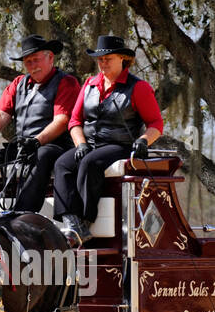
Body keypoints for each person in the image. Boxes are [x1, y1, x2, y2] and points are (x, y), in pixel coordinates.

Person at [53, 34, 164, 245]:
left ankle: (86, 222)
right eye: (100, 59)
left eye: (108, 59)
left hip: (120, 145)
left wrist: (143, 141)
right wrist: (81, 144)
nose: (103, 63)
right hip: (91, 145)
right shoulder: (89, 85)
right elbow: (74, 121)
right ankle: (72, 222)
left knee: (89, 163)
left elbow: (156, 124)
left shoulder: (138, 88)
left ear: (122, 58)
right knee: (62, 164)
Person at [0, 34, 81, 214]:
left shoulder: (66, 82)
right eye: (28, 62)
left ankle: (22, 214)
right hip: (22, 147)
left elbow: (62, 121)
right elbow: (1, 113)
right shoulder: (18, 84)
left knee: (43, 154)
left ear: (50, 57)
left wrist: (37, 141)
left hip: (53, 146)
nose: (32, 66)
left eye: (36, 60)